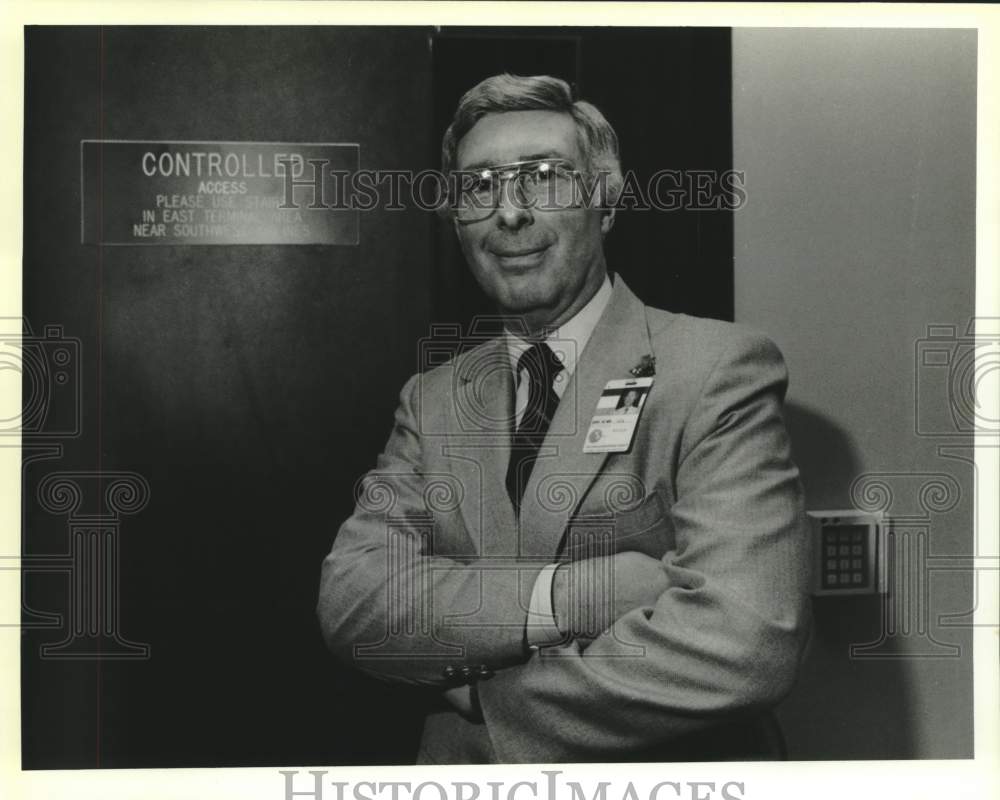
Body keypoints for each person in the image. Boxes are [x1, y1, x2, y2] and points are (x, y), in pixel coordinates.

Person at [317, 73, 811, 764]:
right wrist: (579, 597)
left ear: (605, 202)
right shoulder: (432, 400)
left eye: (544, 178)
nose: (509, 213)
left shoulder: (716, 369)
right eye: (479, 186)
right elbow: (354, 603)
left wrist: (493, 699)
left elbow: (745, 642)